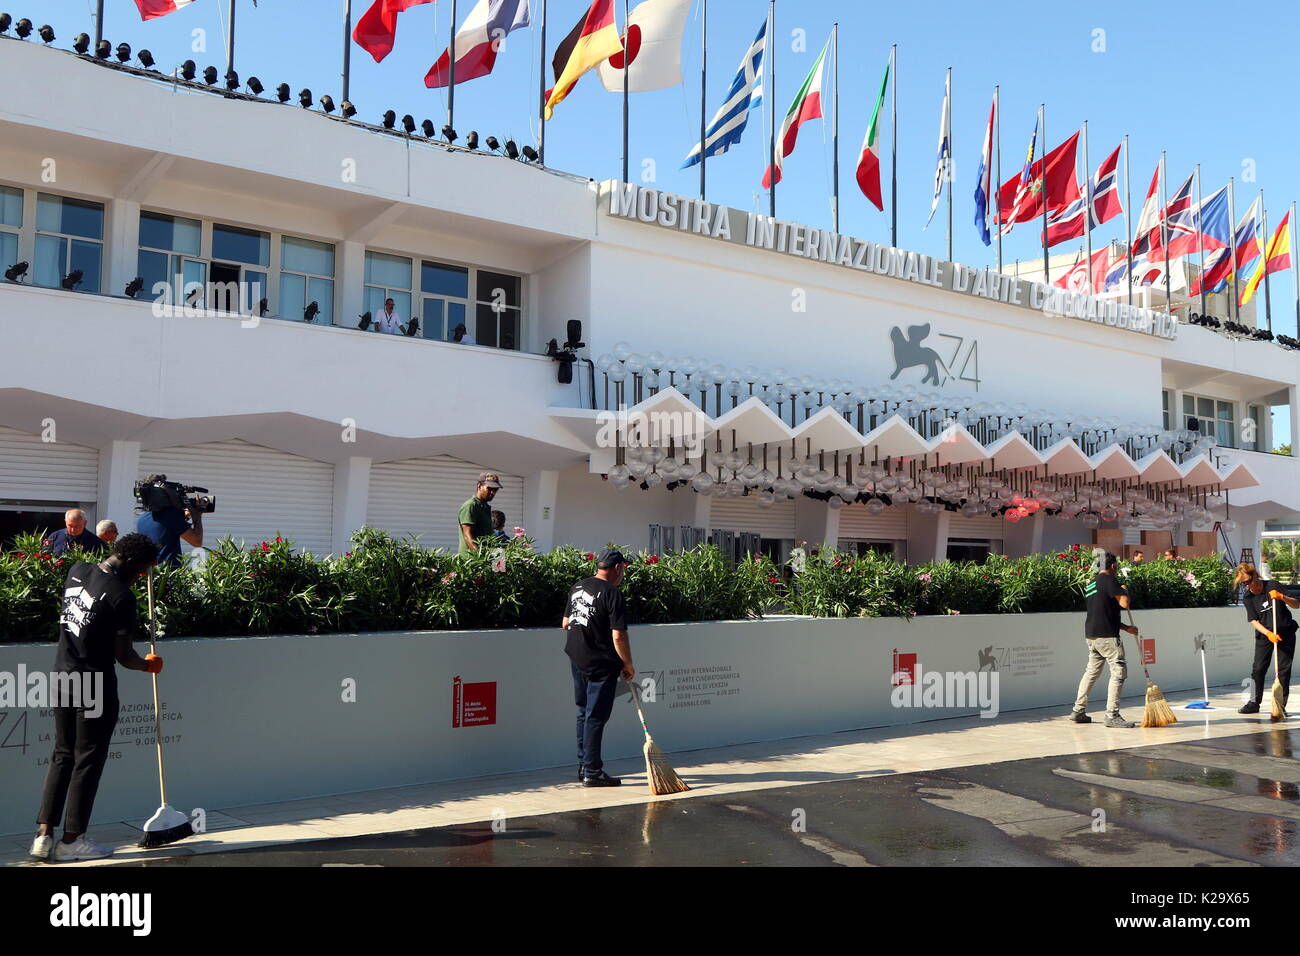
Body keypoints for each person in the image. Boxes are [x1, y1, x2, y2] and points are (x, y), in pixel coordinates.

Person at [32, 533, 164, 862]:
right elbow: (123, 655)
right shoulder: (122, 596)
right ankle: (72, 840)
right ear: (136, 565)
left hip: (62, 676)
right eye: (145, 569)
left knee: (62, 755)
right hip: (94, 683)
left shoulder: (77, 569)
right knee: (87, 760)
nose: (143, 576)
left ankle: (43, 836)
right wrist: (147, 665)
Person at [563, 549, 635, 787]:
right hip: (601, 663)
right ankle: (593, 772)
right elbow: (619, 636)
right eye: (623, 568)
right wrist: (627, 664)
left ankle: (584, 765)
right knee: (596, 716)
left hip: (577, 657)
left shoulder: (578, 586)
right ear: (616, 568)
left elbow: (566, 623)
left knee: (583, 712)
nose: (623, 573)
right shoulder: (612, 593)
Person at [1070, 549, 1140, 728]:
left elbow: (1104, 612)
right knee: (1118, 672)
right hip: (1108, 637)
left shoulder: (1092, 584)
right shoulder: (1110, 580)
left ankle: (1078, 710)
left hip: (1092, 635)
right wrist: (1125, 590)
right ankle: (1112, 714)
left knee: (1091, 672)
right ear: (1114, 566)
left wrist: (1126, 628)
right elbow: (1124, 604)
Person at [1233, 564, 1300, 714]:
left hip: (1285, 633)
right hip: (1265, 636)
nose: (1250, 585)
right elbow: (1253, 621)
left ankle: (1279, 706)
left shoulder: (1272, 585)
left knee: (1283, 670)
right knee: (1258, 669)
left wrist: (1282, 597)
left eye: (1250, 580)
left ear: (1256, 575)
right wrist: (1268, 634)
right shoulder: (1248, 597)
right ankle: (1253, 703)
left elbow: (1296, 605)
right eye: (1244, 584)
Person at [135, 482, 204, 567]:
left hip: (151, 574)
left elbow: (164, 529)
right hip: (168, 576)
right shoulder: (170, 516)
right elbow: (196, 541)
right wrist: (197, 515)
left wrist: (184, 515)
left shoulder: (141, 519)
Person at [458, 472, 499, 554]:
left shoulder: (485, 507)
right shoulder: (470, 506)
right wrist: (481, 559)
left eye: (495, 489)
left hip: (487, 559)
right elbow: (467, 536)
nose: (492, 492)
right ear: (479, 486)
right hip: (473, 562)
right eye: (489, 488)